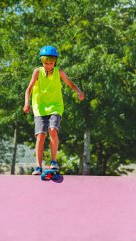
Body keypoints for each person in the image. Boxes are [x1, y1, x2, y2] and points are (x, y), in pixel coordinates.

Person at [23, 45, 84, 175]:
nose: (48, 66)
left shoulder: (59, 72)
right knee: (40, 136)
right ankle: (38, 166)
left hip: (55, 106)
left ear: (55, 61)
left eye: (51, 63)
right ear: (42, 61)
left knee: (53, 131)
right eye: (46, 63)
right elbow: (28, 89)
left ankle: (53, 162)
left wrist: (78, 91)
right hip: (39, 108)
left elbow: (70, 83)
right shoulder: (37, 72)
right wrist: (26, 103)